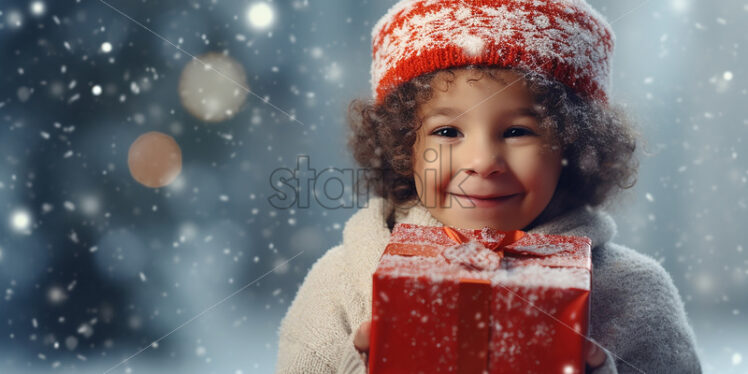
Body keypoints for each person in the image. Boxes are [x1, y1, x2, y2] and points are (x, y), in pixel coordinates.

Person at [275, 0, 702, 373]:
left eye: (518, 132)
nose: (482, 162)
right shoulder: (341, 283)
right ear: (404, 144)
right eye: (446, 133)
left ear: (575, 145)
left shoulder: (633, 294)